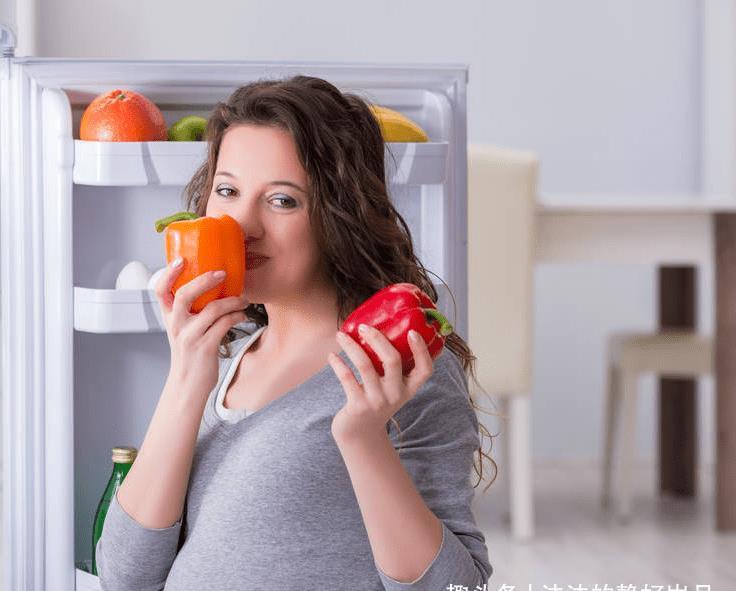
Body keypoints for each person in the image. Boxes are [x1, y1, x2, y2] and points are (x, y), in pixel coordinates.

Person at [96, 74, 497, 590]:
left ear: (340, 214)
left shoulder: (396, 365)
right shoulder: (224, 359)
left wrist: (363, 439)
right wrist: (186, 379)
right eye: (228, 190)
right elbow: (125, 577)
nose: (242, 224)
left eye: (282, 200)